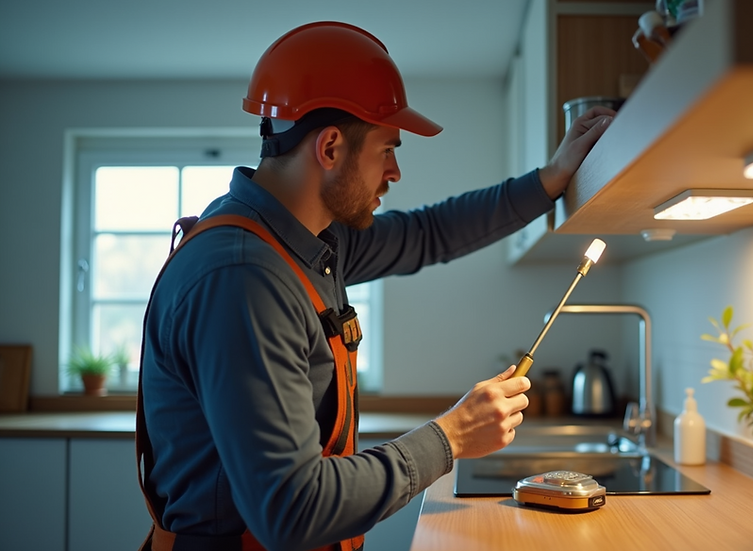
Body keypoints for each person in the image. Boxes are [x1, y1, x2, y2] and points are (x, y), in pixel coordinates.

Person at [137, 21, 614, 551]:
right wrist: (451, 436)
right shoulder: (244, 278)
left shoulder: (308, 242)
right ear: (332, 147)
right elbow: (291, 510)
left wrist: (549, 180)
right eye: (388, 148)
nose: (396, 171)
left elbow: (428, 233)